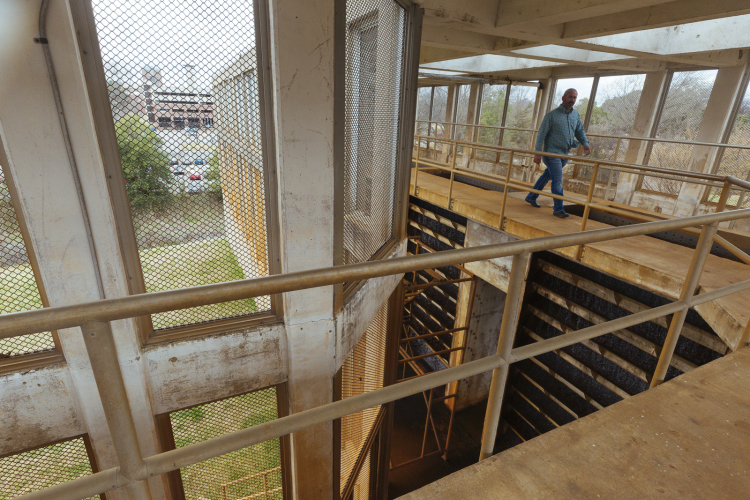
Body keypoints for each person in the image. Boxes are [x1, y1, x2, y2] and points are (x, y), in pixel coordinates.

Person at [525, 88, 591, 218]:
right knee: (557, 180)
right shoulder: (551, 115)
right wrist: (537, 153)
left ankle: (531, 196)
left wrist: (586, 144)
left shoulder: (575, 115)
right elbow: (541, 135)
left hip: (564, 154)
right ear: (563, 98)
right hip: (551, 154)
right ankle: (558, 209)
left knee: (547, 176)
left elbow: (579, 131)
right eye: (570, 97)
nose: (572, 100)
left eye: (574, 98)